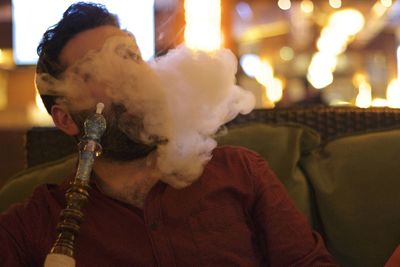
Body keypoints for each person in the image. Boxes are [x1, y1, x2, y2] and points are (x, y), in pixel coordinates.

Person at [0, 2, 338, 266]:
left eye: (131, 57)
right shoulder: (39, 222)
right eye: (93, 69)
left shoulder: (240, 172)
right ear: (65, 119)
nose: (130, 76)